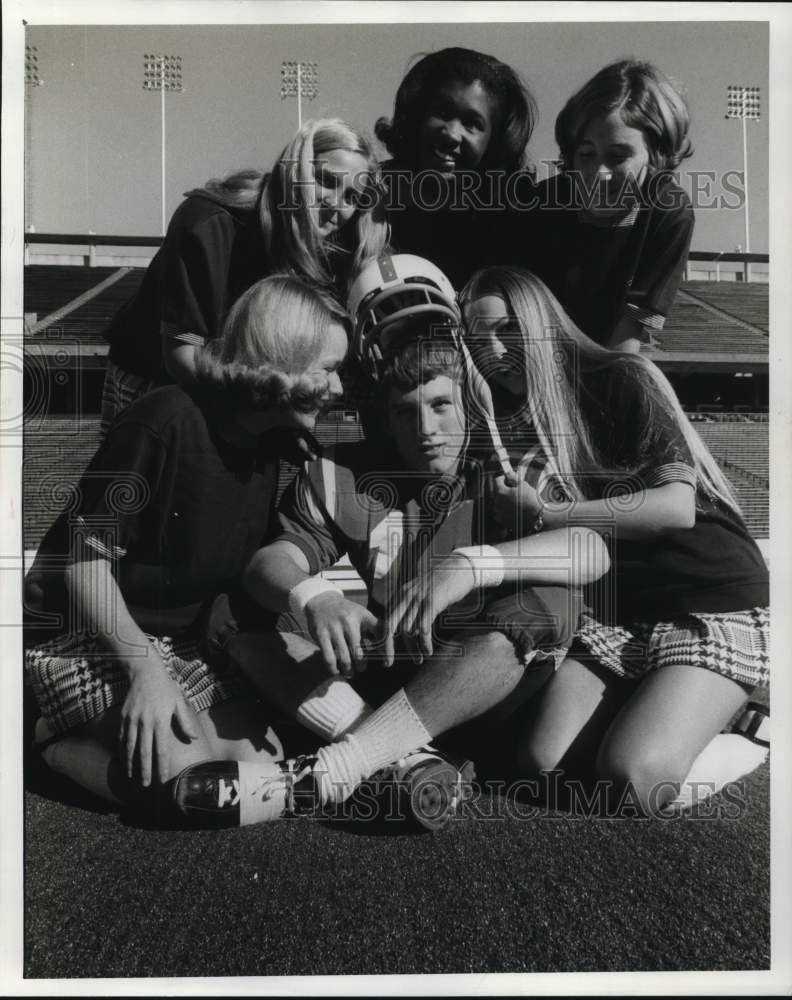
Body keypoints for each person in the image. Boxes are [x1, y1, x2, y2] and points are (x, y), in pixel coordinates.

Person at [170, 260, 610, 829]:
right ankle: (405, 759)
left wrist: (471, 565)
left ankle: (331, 772)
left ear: (471, 404)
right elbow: (268, 564)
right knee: (238, 608)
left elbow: (592, 553)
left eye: (441, 405)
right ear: (382, 416)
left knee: (548, 604)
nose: (425, 428)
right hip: (395, 671)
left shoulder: (506, 463)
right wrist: (314, 598)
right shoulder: (351, 474)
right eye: (405, 413)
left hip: (490, 682)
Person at [24, 274, 349, 814]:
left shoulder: (270, 448)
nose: (339, 389)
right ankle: (48, 740)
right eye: (329, 368)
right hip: (87, 632)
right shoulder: (164, 421)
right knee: (188, 782)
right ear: (282, 357)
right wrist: (145, 671)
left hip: (177, 642)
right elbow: (84, 567)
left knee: (257, 760)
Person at [460, 266, 769, 816]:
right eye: (476, 336)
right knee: (544, 764)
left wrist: (547, 512)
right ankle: (670, 708)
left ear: (542, 321)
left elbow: (674, 509)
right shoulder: (507, 420)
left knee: (631, 778)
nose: (491, 349)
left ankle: (742, 737)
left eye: (506, 328)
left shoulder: (620, 375)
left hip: (710, 597)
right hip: (624, 614)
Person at [99, 118, 387, 434]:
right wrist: (263, 416)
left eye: (353, 198)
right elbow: (182, 357)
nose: (337, 206)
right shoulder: (210, 223)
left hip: (243, 390)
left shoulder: (329, 248)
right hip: (154, 378)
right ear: (296, 170)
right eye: (327, 180)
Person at [508, 59, 695, 353]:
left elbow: (631, 331)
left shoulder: (669, 212)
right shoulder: (541, 206)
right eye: (586, 154)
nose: (599, 173)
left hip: (609, 358)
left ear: (656, 155)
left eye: (618, 155)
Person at [375, 46, 538, 289]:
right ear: (418, 115)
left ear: (493, 141)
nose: (451, 134)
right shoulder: (372, 190)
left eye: (472, 123)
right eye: (442, 113)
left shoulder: (508, 214)